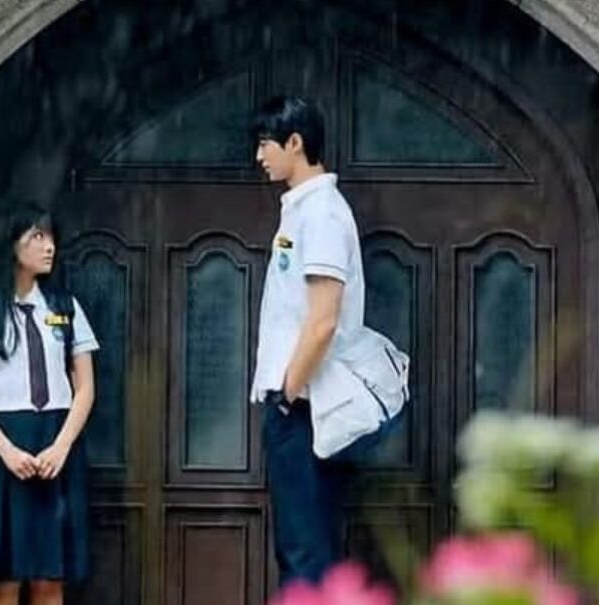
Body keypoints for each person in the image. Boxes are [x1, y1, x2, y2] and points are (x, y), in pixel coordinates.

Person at [0, 204, 98, 605]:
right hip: (1, 446)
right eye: (37, 237)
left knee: (50, 577)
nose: (49, 246)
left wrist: (62, 446)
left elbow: (85, 387)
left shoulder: (66, 308)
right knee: (5, 577)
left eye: (50, 237)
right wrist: (7, 450)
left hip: (55, 441)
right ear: (11, 244)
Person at [249, 96, 368, 585]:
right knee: (302, 550)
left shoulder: (320, 215)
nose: (258, 156)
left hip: (305, 409)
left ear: (295, 143)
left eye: (264, 143)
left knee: (305, 557)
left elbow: (323, 321)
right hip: (300, 407)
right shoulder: (304, 211)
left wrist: (286, 396)